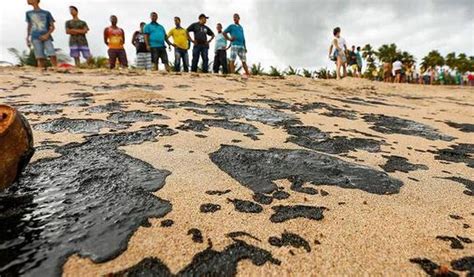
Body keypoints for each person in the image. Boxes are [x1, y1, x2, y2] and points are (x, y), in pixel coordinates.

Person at [26, 0, 57, 68]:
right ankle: (41, 71)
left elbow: (52, 27)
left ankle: (55, 68)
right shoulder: (28, 13)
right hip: (35, 37)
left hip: (46, 36)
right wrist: (27, 37)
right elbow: (29, 26)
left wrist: (47, 35)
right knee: (39, 56)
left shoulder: (46, 13)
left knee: (51, 53)